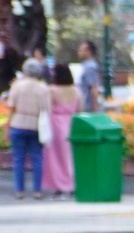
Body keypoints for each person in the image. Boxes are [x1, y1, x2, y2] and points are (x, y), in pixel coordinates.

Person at [6, 58, 49, 197]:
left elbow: (11, 106)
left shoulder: (17, 86)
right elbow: (47, 109)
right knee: (37, 158)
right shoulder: (43, 88)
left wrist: (8, 125)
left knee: (18, 159)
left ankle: (19, 190)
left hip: (18, 123)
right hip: (36, 125)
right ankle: (37, 190)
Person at [43, 64, 79, 196]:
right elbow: (81, 108)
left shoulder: (52, 90)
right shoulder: (76, 90)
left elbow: (47, 109)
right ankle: (72, 183)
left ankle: (59, 185)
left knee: (56, 157)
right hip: (72, 122)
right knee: (70, 155)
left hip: (56, 124)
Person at [73, 41, 102, 113]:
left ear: (88, 51)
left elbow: (93, 87)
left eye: (81, 50)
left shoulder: (90, 67)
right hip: (83, 104)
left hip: (87, 106)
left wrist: (95, 108)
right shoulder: (85, 65)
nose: (79, 52)